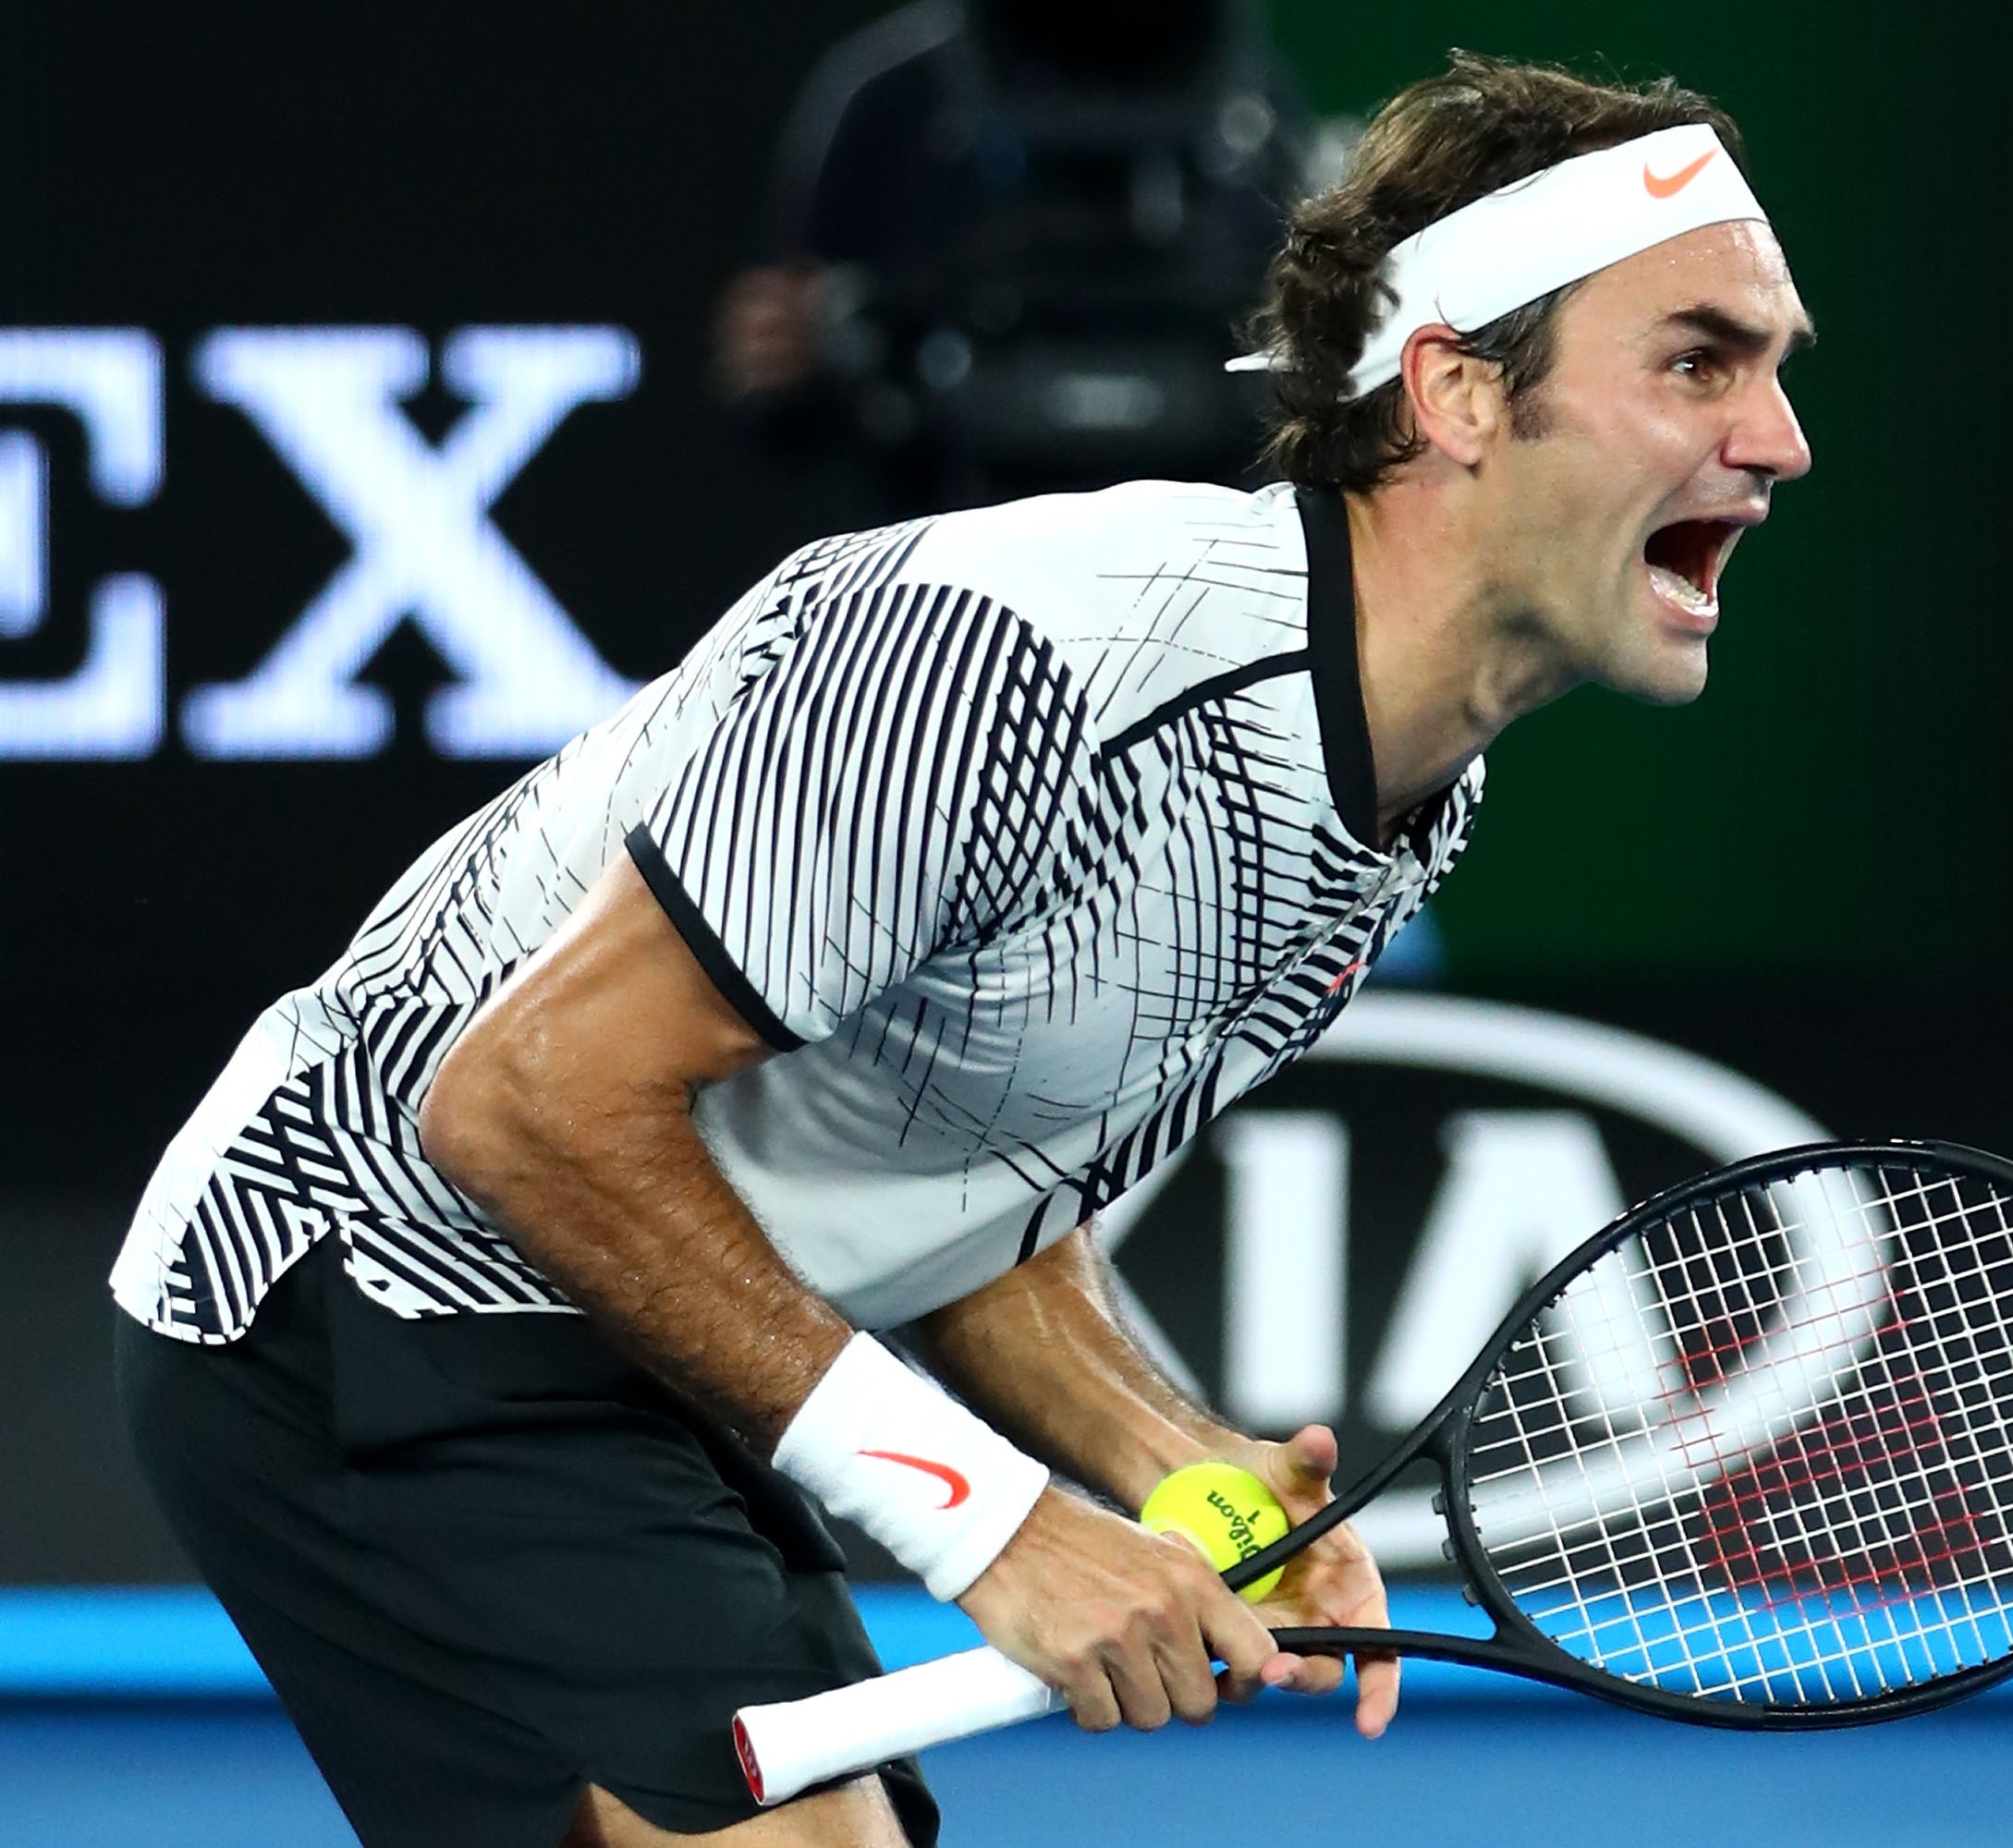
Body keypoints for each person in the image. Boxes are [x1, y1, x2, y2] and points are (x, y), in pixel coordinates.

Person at [111, 49, 1813, 1848]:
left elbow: (956, 1150)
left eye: (1775, 368)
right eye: (1699, 359)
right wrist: (993, 1524)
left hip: (636, 1321)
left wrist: (1173, 1459)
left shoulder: (1397, 800)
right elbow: (521, 1102)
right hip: (358, 1293)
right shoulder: (1021, 661)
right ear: (1459, 392)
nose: (1781, 438)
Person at [716, 0, 1312, 515]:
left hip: (1200, 573)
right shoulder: (888, 103)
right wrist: (793, 357)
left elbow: (1302, 358)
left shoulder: (1256, 105)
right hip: (945, 567)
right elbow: (778, 397)